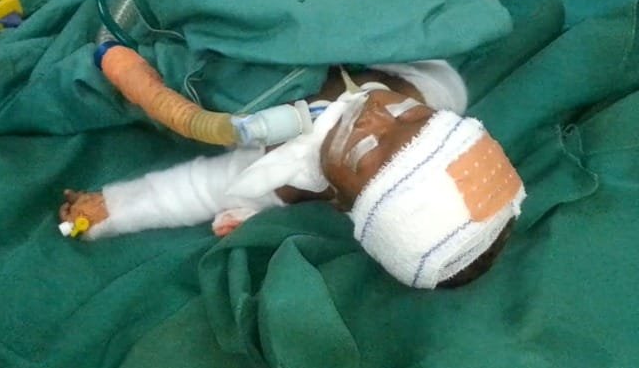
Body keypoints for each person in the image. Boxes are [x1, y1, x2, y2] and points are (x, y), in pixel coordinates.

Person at [60, 60, 526, 289]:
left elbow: (197, 189)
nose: (375, 117)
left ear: (339, 199)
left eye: (368, 150)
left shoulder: (284, 173)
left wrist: (115, 209)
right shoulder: (437, 88)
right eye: (411, 118)